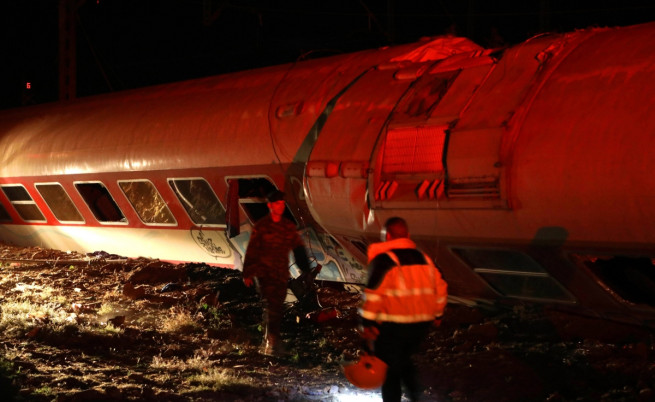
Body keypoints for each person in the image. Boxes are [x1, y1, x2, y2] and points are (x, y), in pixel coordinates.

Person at [359, 217, 448, 401]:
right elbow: (441, 287)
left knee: (389, 370)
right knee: (404, 360)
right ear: (407, 235)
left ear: (387, 236)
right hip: (420, 326)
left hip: (392, 326)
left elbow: (373, 295)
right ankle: (416, 394)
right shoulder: (425, 260)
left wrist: (367, 323)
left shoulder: (384, 261)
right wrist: (438, 314)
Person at [242, 189, 312, 356]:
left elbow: (298, 249)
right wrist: (247, 273)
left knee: (276, 308)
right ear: (270, 206)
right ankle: (272, 344)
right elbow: (253, 250)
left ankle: (269, 340)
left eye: (282, 204)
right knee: (272, 307)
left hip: (281, 274)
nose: (280, 207)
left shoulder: (288, 226)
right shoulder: (262, 227)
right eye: (277, 204)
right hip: (264, 275)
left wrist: (306, 270)